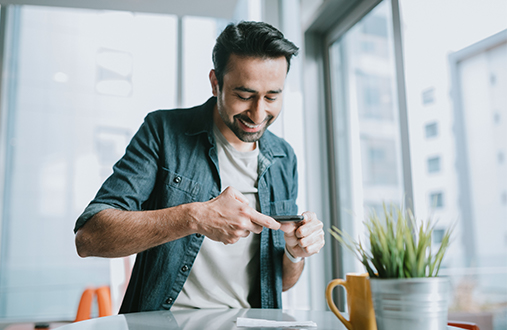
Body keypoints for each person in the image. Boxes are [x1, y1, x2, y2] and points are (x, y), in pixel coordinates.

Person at [74, 21, 325, 313]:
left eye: (272, 97)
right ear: (215, 83)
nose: (258, 113)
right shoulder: (163, 131)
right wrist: (194, 217)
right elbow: (89, 237)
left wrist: (296, 253)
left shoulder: (284, 157)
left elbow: (279, 283)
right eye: (244, 96)